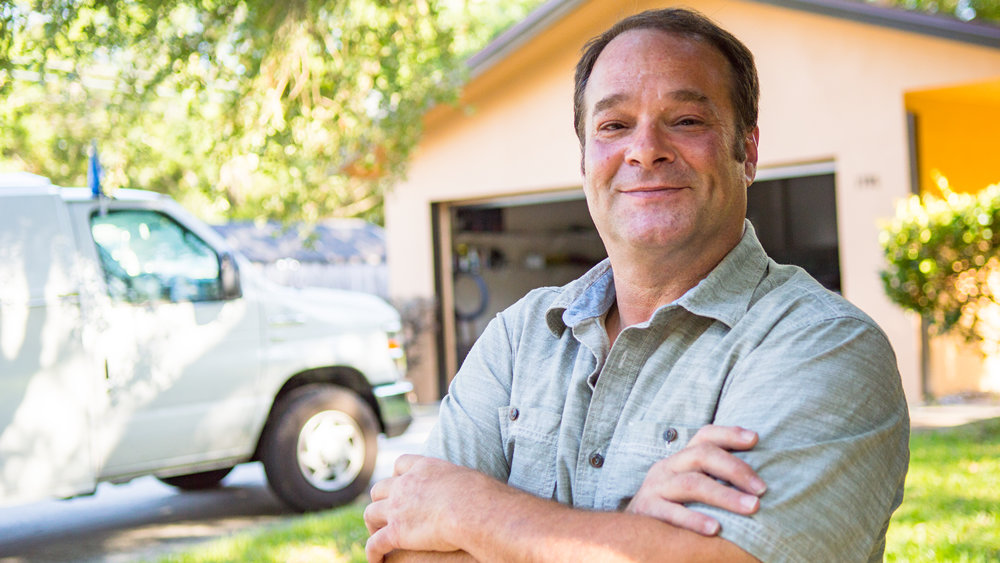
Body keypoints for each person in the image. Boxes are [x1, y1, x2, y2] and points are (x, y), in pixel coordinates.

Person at [364, 8, 909, 562]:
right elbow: (405, 550)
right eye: (614, 125)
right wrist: (635, 534)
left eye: (687, 120)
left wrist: (471, 511)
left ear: (747, 152)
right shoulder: (518, 338)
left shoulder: (824, 345)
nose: (645, 149)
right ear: (584, 160)